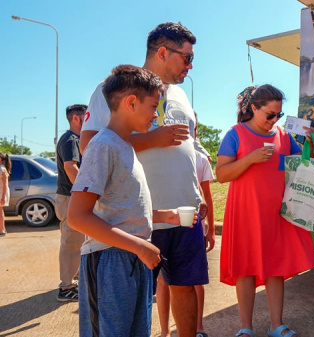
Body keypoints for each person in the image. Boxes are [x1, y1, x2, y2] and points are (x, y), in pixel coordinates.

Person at [80, 22, 208, 337]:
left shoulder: (181, 95)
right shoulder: (115, 88)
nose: (190, 67)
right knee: (128, 308)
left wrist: (199, 195)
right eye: (186, 58)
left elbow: (190, 147)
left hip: (182, 213)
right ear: (163, 52)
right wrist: (153, 139)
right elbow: (90, 145)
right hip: (135, 223)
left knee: (185, 286)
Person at [68, 64, 189, 337]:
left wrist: (161, 216)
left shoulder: (123, 147)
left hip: (133, 256)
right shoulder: (103, 146)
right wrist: (139, 246)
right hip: (110, 261)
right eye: (153, 107)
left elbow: (119, 206)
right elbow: (77, 216)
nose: (156, 116)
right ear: (131, 103)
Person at [216, 84, 314, 337]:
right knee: (245, 268)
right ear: (253, 108)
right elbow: (221, 174)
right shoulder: (235, 133)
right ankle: (245, 328)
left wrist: (311, 143)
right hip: (245, 214)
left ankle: (276, 325)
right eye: (269, 114)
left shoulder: (283, 135)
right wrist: (250, 158)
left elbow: (302, 165)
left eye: (278, 115)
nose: (274, 120)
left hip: (277, 214)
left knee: (276, 269)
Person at [156, 115, 216, 337]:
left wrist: (210, 226)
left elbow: (204, 193)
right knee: (163, 282)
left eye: (192, 127)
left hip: (190, 224)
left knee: (192, 282)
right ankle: (164, 331)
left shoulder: (198, 157)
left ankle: (197, 327)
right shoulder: (158, 152)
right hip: (161, 223)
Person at [54, 104, 87, 302]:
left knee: (75, 241)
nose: (89, 119)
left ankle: (73, 278)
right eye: (86, 116)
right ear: (76, 118)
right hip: (70, 196)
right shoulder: (71, 140)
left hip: (68, 196)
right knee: (71, 242)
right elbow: (70, 167)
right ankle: (65, 288)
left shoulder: (72, 139)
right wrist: (87, 190)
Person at [0, 152, 10, 237]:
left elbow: (5, 185)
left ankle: (2, 230)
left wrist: (3, 197)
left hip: (1, 193)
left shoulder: (2, 169)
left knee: (0, 211)